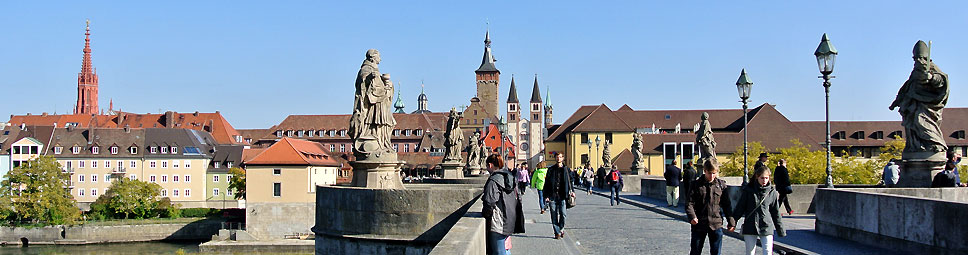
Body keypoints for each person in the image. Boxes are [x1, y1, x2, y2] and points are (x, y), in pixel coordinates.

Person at [686, 159, 736, 255]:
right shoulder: (696, 185)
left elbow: (727, 205)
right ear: (704, 171)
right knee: (695, 251)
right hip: (699, 224)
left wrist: (731, 222)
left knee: (716, 252)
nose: (712, 176)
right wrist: (692, 216)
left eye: (714, 173)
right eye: (709, 173)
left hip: (716, 223)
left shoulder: (721, 185)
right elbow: (689, 203)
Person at [734, 165, 786, 255]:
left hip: (766, 225)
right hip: (750, 224)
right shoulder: (748, 191)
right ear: (757, 177)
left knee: (768, 252)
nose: (764, 180)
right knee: (750, 252)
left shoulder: (772, 192)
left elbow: (775, 212)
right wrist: (733, 222)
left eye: (766, 178)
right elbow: (740, 208)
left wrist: (780, 229)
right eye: (762, 178)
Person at [482, 154, 524, 255]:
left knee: (499, 251)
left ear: (490, 165)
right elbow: (519, 198)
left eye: (487, 166)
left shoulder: (493, 180)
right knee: (505, 249)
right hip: (510, 219)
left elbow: (490, 201)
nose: (487, 169)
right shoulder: (510, 177)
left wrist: (486, 214)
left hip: (498, 221)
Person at [543, 152, 574, 239]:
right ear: (555, 158)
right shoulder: (551, 170)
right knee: (554, 215)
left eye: (560, 157)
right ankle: (557, 232)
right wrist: (546, 195)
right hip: (552, 195)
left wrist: (572, 191)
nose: (558, 159)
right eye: (557, 157)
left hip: (563, 196)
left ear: (563, 158)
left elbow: (570, 181)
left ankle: (561, 228)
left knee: (563, 214)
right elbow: (547, 183)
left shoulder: (566, 169)